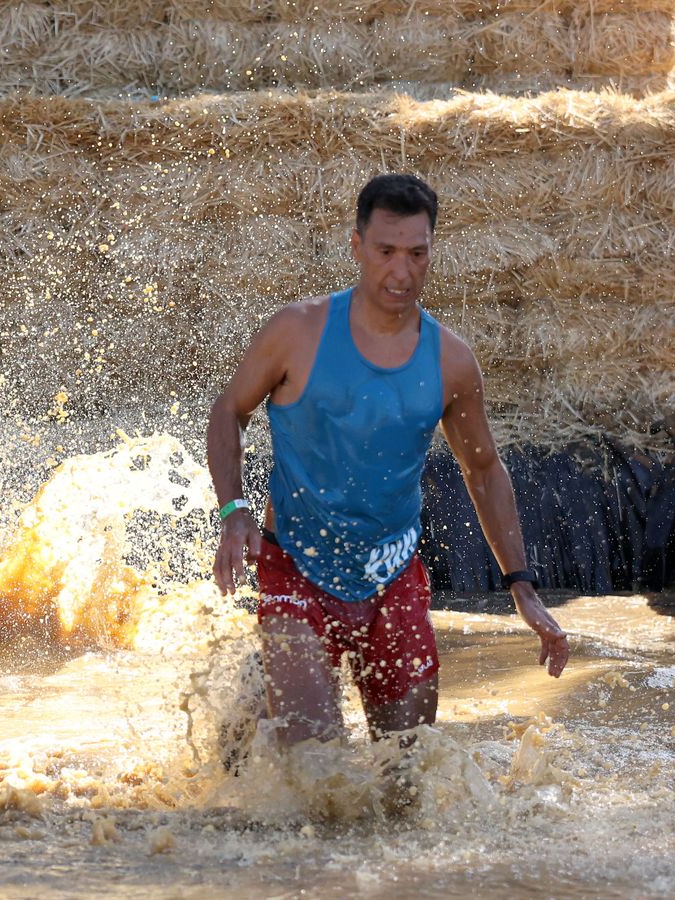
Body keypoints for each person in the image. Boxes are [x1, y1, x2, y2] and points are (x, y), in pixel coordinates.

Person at [205, 174, 570, 748]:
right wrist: (234, 510)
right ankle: (266, 693)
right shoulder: (295, 333)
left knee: (408, 776)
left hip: (392, 580)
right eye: (386, 252)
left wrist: (521, 587)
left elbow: (483, 470)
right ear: (357, 247)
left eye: (417, 254)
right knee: (316, 770)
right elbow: (229, 412)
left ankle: (262, 695)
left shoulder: (451, 360)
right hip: (295, 569)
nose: (401, 273)